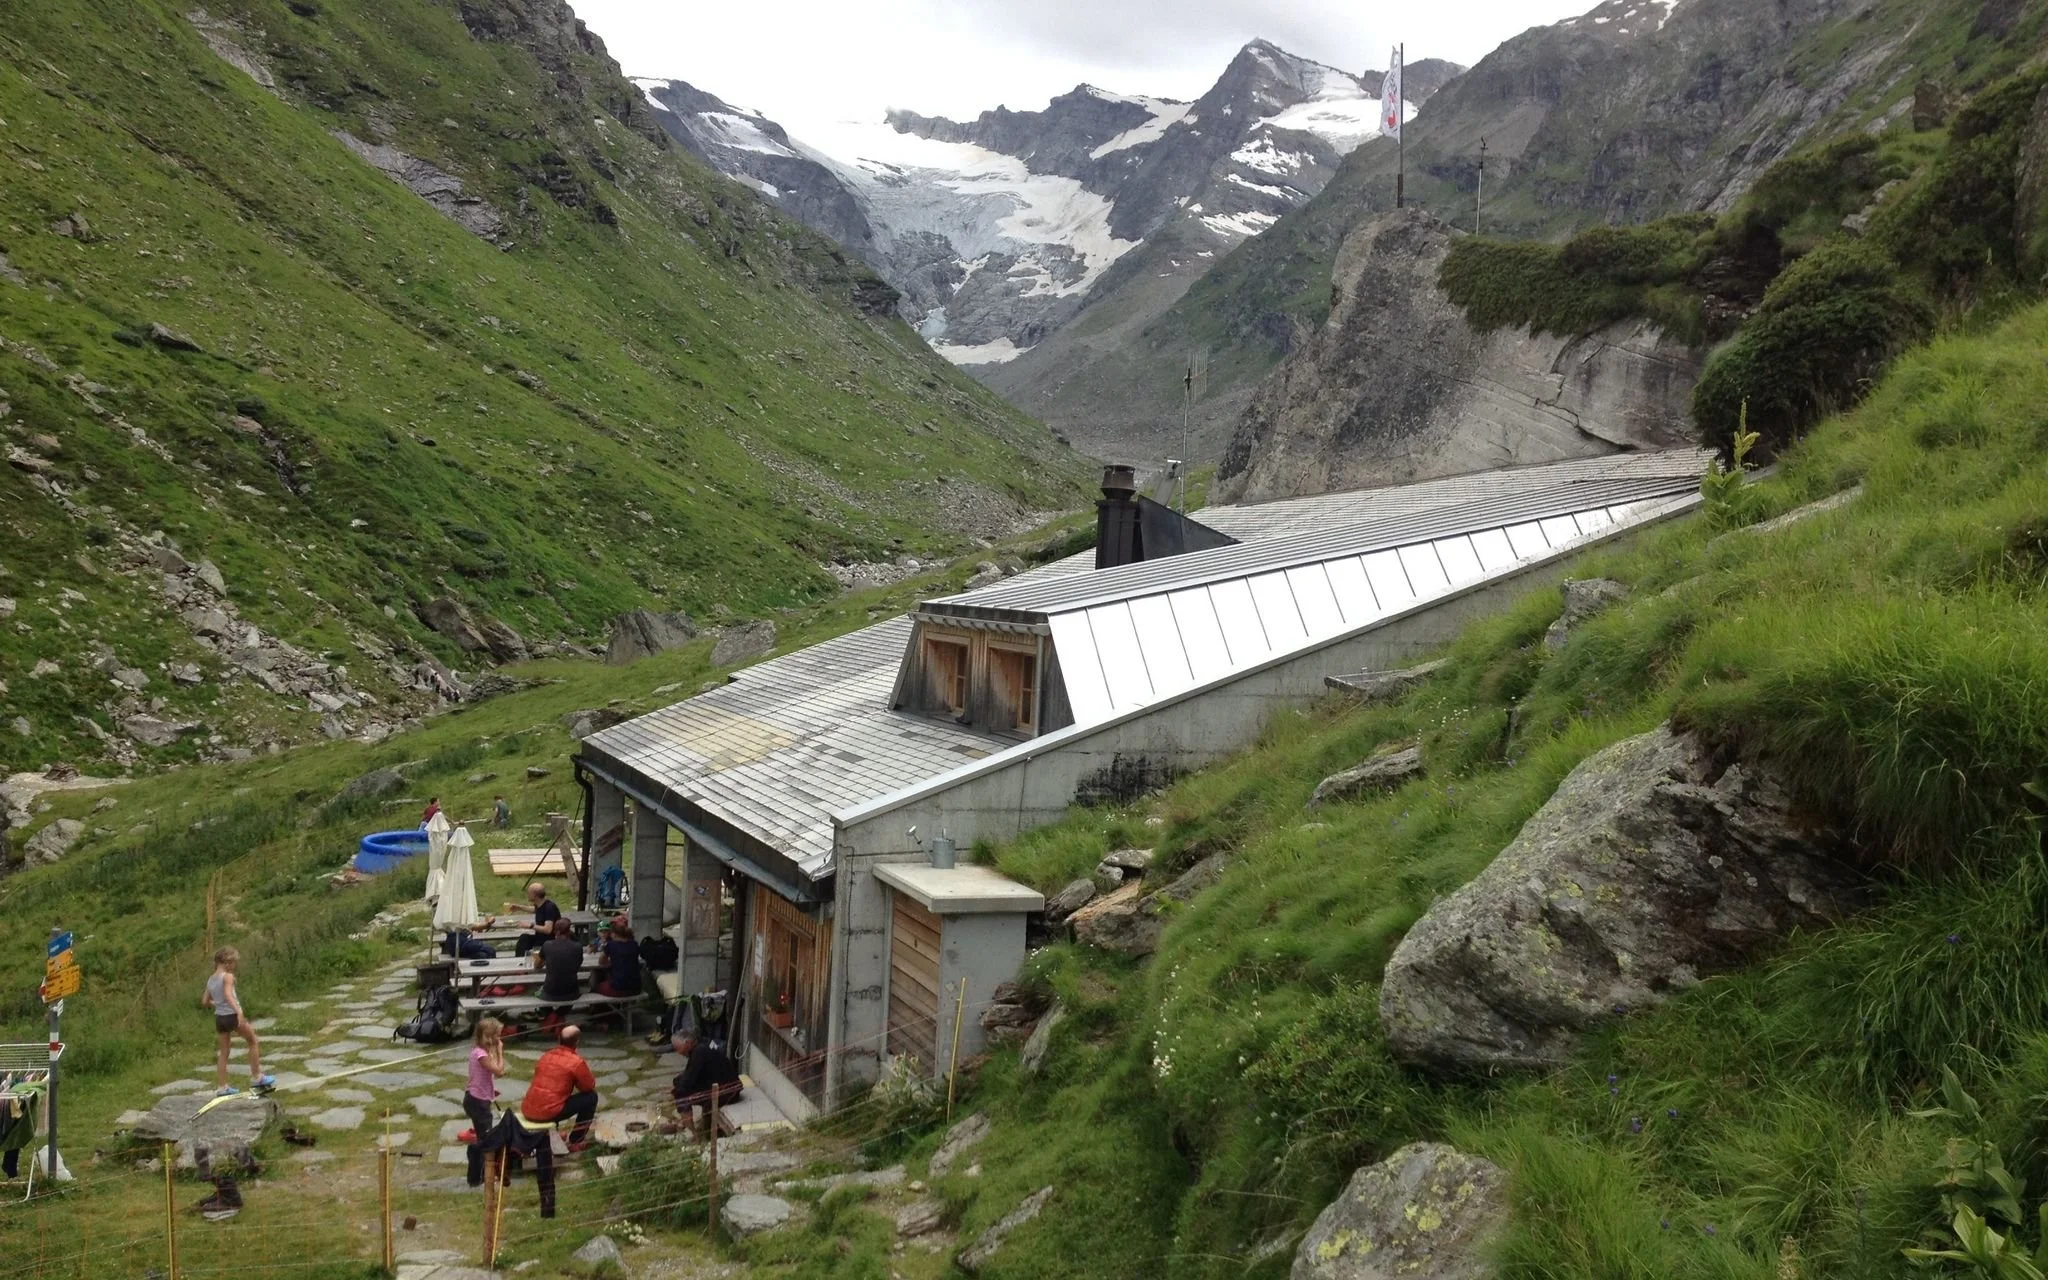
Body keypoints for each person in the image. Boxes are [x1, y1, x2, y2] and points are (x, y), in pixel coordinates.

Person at [201, 948, 275, 1096]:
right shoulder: (227, 977)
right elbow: (228, 995)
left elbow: (205, 1001)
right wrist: (239, 1011)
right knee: (252, 1040)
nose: (235, 965)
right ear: (227, 962)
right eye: (234, 962)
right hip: (232, 1015)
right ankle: (257, 1077)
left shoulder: (211, 979)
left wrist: (218, 1004)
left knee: (224, 1052)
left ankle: (222, 1086)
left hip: (220, 1018)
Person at [670, 994, 742, 1140]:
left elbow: (688, 1081)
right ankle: (699, 1125)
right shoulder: (701, 1046)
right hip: (725, 1085)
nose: (678, 1053)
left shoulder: (699, 1053)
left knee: (681, 1095)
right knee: (679, 1084)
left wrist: (676, 1090)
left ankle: (694, 1133)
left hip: (727, 1093)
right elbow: (691, 1075)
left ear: (687, 1044)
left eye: (678, 1049)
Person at [521, 1024, 598, 1151]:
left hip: (528, 1109)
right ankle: (576, 1141)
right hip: (547, 1113)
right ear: (577, 1042)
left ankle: (553, 1135)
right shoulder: (576, 1062)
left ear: (559, 1039)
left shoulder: (546, 1055)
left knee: (552, 1097)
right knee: (591, 1097)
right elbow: (588, 1087)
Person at [463, 1018, 508, 1188]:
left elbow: (484, 1076)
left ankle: (481, 1172)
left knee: (485, 1137)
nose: (500, 1038)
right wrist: (500, 1051)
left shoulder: (478, 1051)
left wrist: (490, 1091)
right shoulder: (481, 1055)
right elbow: (499, 1071)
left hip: (478, 1097)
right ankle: (476, 1177)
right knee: (485, 1140)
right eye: (498, 1035)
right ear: (490, 1037)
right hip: (477, 1102)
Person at [534, 918, 584, 1004]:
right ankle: (557, 1014)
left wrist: (548, 961)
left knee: (535, 992)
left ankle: (545, 1013)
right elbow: (577, 966)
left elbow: (537, 966)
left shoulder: (547, 945)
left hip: (550, 992)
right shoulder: (578, 946)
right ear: (569, 930)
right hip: (572, 993)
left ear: (555, 930)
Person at [509, 882, 561, 957]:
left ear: (535, 895)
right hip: (540, 937)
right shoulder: (541, 904)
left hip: (549, 941)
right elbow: (535, 910)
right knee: (524, 938)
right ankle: (519, 960)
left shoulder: (549, 907)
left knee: (525, 940)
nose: (527, 894)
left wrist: (530, 925)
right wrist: (519, 907)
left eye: (529, 893)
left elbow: (548, 930)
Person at [594, 918, 642, 998]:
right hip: (636, 988)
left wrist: (612, 962)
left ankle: (601, 1009)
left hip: (619, 988)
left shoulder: (611, 945)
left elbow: (601, 962)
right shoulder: (634, 944)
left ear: (613, 934)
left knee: (597, 987)